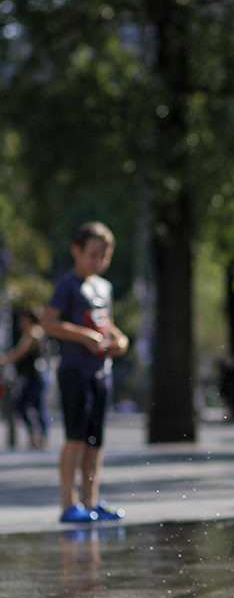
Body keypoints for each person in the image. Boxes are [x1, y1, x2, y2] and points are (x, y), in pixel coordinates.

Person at [42, 221, 129, 523]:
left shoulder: (103, 287)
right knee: (76, 437)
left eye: (104, 256)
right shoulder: (68, 285)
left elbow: (105, 323)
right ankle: (69, 503)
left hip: (101, 370)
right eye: (93, 254)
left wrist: (120, 339)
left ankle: (91, 500)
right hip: (75, 370)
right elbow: (49, 322)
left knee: (96, 439)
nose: (98, 261)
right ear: (76, 251)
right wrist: (83, 336)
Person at [1, 308, 50, 449]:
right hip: (34, 376)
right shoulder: (35, 331)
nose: (20, 322)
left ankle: (40, 437)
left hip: (36, 376)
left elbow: (20, 352)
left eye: (23, 318)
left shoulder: (34, 331)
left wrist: (5, 359)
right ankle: (37, 436)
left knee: (31, 406)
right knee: (28, 406)